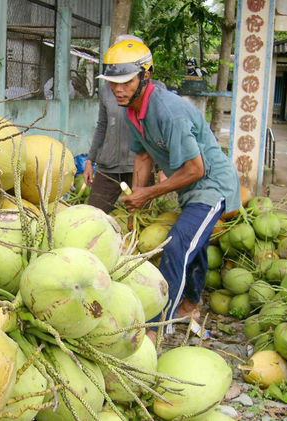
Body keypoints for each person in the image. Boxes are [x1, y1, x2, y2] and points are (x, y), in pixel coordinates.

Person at [97, 39, 240, 343]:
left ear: (145, 76)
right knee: (193, 244)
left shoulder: (168, 112)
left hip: (211, 186)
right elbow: (143, 156)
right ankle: (190, 306)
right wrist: (135, 201)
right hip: (190, 188)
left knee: (177, 246)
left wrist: (148, 194)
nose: (118, 89)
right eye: (112, 83)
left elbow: (195, 170)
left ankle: (155, 328)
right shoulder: (132, 111)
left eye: (126, 82)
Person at [84, 35, 166, 213]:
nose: (119, 88)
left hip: (140, 167)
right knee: (92, 215)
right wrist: (90, 160)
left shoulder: (156, 92)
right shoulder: (108, 89)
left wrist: (162, 168)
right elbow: (102, 125)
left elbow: (161, 133)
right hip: (108, 166)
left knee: (140, 220)